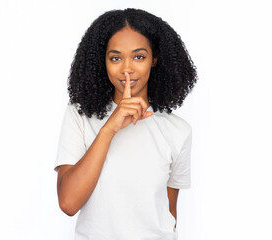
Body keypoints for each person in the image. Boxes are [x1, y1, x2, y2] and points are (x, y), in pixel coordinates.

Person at [54, 8, 197, 240]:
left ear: (155, 59)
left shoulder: (178, 131)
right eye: (116, 58)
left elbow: (168, 215)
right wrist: (109, 128)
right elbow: (68, 203)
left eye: (139, 56)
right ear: (103, 62)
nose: (127, 68)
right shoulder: (79, 116)